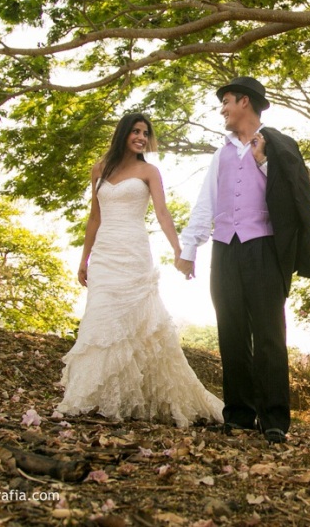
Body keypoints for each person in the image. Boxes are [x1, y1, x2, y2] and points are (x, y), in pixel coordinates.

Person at [176, 77, 310, 444]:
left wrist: (262, 162)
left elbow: (295, 197)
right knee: (231, 332)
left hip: (264, 248)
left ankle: (274, 419)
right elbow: (206, 202)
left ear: (245, 102)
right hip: (225, 248)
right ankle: (239, 415)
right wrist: (189, 249)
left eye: (226, 101)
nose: (222, 109)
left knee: (270, 335)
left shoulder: (280, 147)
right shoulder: (220, 154)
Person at [57, 112, 223, 426]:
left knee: (134, 324)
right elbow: (95, 217)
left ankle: (132, 397)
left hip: (134, 251)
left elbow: (162, 213)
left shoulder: (149, 171)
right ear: (123, 133)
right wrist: (84, 260)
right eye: (135, 131)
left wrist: (179, 249)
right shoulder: (99, 169)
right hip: (105, 254)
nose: (141, 138)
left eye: (145, 133)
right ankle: (94, 396)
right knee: (101, 319)